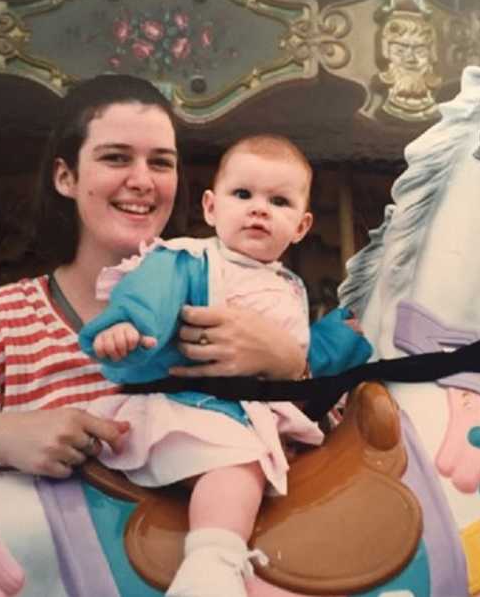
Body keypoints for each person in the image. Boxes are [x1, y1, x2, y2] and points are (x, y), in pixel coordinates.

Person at [0, 75, 317, 530]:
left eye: (160, 162)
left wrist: (288, 364)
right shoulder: (6, 322)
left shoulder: (231, 293)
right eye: (116, 157)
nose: (143, 180)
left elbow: (334, 470)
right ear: (66, 177)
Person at [78, 134, 372, 597]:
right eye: (243, 195)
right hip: (188, 411)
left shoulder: (289, 286)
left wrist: (345, 336)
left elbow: (303, 359)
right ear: (211, 208)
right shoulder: (190, 259)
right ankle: (212, 565)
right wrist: (128, 329)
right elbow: (149, 299)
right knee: (239, 466)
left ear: (301, 225)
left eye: (278, 201)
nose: (259, 209)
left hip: (244, 417)